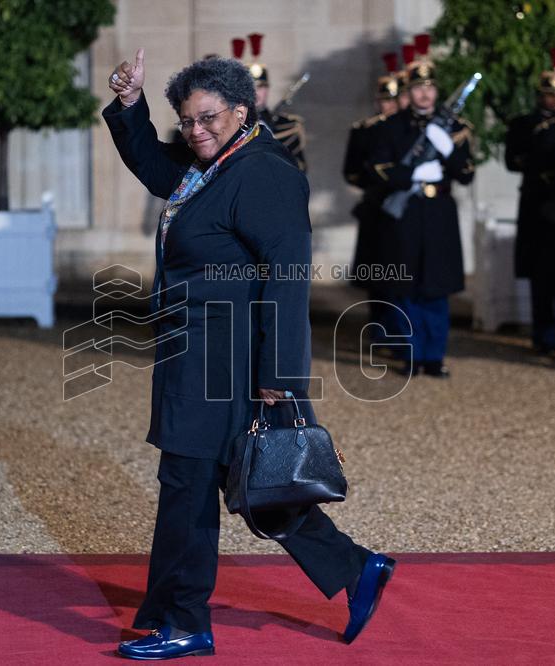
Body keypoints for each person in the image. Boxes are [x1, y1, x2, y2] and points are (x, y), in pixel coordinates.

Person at [104, 50, 394, 659]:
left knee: (187, 481)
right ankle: (355, 568)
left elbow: (288, 278)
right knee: (246, 481)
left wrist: (280, 378)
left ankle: (184, 621)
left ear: (241, 110)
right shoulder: (212, 161)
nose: (195, 131)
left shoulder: (263, 172)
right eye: (186, 121)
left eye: (207, 118)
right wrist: (132, 107)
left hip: (227, 358)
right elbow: (159, 170)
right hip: (197, 350)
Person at [366, 33, 476, 378]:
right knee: (407, 286)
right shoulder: (391, 126)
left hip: (439, 211)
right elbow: (378, 169)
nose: (424, 93)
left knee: (437, 287)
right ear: (408, 91)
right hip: (407, 212)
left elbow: (467, 173)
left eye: (429, 87)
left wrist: (448, 150)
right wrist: (412, 172)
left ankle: (434, 356)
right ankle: (412, 355)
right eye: (417, 88)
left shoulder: (456, 129)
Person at [505, 48, 555, 354]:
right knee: (539, 275)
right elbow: (513, 160)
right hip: (535, 203)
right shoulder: (522, 124)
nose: (554, 100)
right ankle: (542, 333)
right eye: (549, 94)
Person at [344, 52, 403, 347]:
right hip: (375, 207)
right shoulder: (365, 130)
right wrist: (374, 180)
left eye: (393, 101)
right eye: (384, 100)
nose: (387, 106)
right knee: (377, 274)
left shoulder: (407, 131)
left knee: (400, 274)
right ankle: (379, 328)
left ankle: (397, 330)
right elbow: (351, 171)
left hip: (403, 206)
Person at [246, 32, 307, 172]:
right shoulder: (233, 126)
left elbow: (301, 168)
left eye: (261, 87)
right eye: (251, 87)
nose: (256, 93)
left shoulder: (288, 126)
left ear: (268, 89)